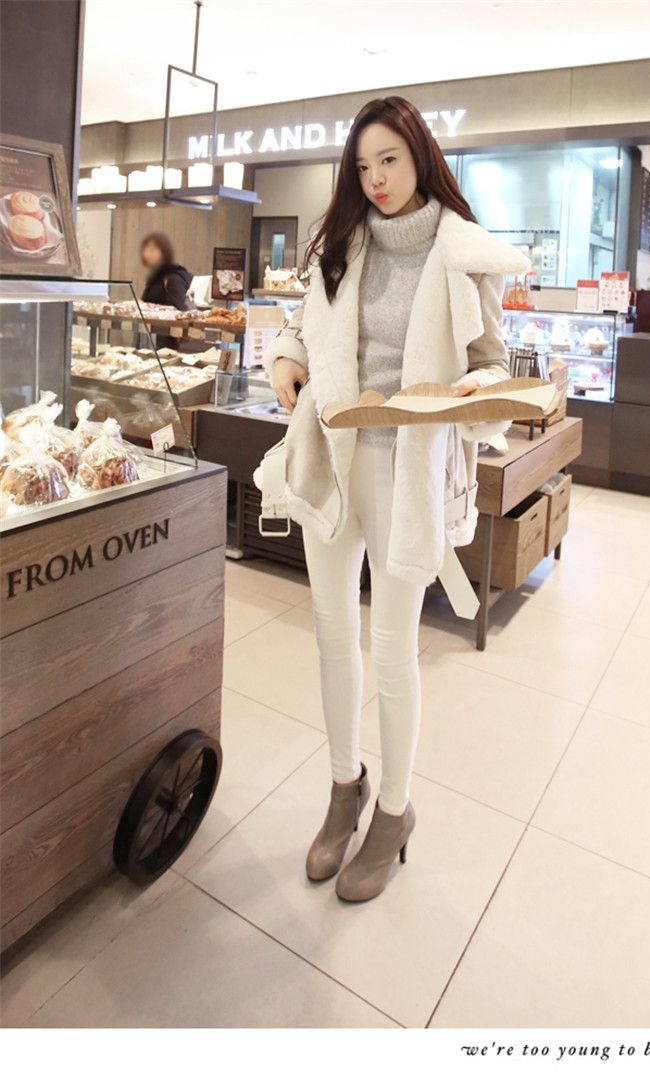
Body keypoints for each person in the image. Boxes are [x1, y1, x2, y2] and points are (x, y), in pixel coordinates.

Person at [263, 96, 528, 903]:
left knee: (392, 648)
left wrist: (473, 387)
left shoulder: (461, 251)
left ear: (420, 158)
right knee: (330, 633)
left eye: (389, 160)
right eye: (363, 165)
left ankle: (394, 810)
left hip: (406, 467)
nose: (376, 178)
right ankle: (344, 787)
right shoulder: (340, 242)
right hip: (330, 452)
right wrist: (285, 360)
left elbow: (493, 360)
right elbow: (301, 329)